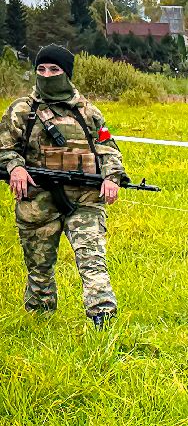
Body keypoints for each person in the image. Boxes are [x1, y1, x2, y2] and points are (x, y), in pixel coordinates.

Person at [0, 44, 126, 324]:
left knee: (92, 259)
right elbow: (4, 147)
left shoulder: (88, 113)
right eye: (41, 69)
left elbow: (108, 149)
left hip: (84, 200)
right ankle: (40, 321)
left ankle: (102, 318)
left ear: (66, 73)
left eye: (54, 69)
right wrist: (16, 167)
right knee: (39, 266)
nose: (46, 75)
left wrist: (112, 177)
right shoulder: (22, 110)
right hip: (37, 201)